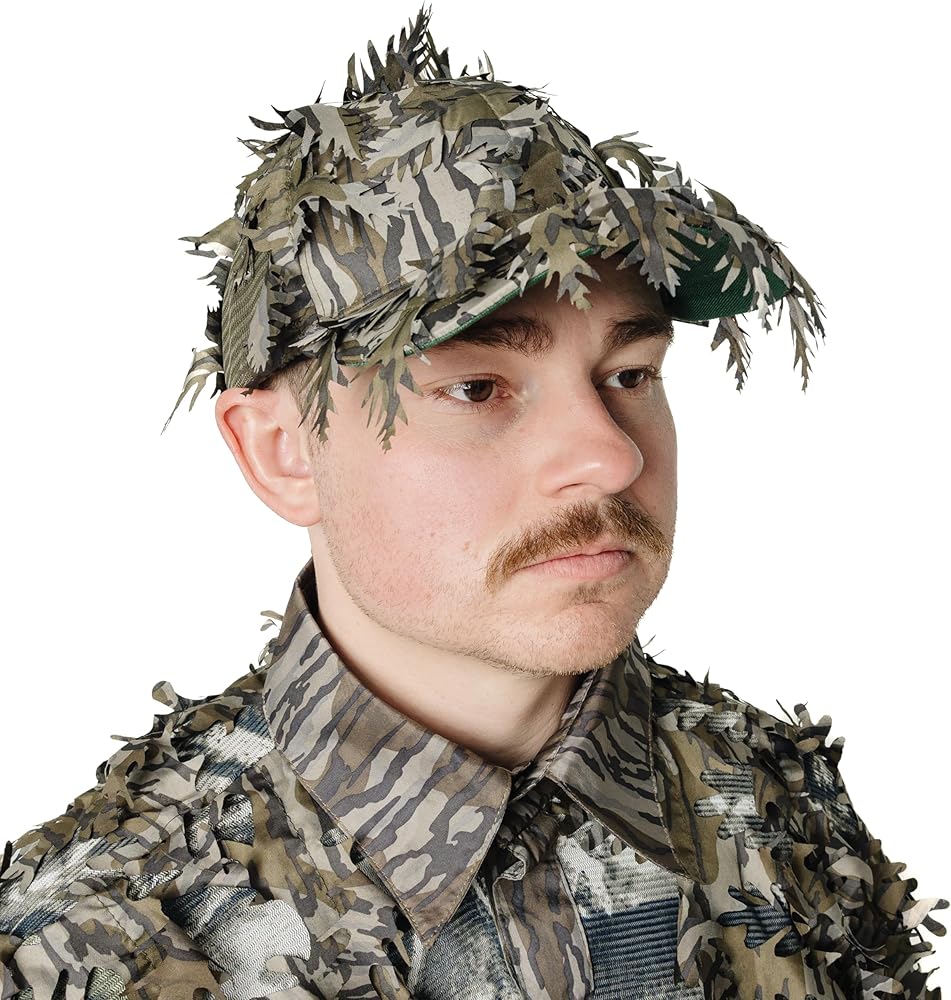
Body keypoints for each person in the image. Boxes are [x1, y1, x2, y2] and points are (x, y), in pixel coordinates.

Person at [1, 7, 944, 999]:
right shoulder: (94, 943)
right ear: (283, 453)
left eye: (629, 374)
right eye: (479, 388)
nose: (611, 457)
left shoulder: (776, 799)